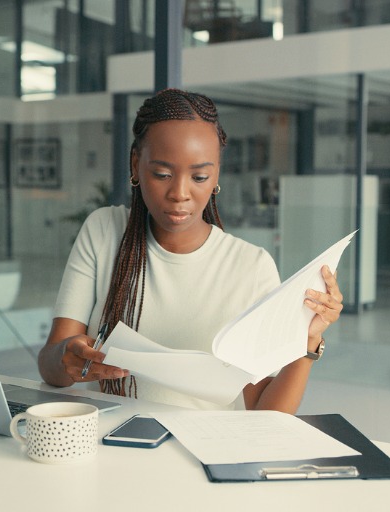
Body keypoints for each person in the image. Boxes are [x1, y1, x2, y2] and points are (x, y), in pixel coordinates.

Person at [37, 89, 343, 413]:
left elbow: (266, 415)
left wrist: (307, 342)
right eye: (163, 174)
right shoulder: (103, 231)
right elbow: (51, 366)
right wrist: (66, 359)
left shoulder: (251, 267)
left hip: (202, 454)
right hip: (109, 446)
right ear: (135, 163)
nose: (179, 193)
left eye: (199, 176)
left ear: (216, 176)